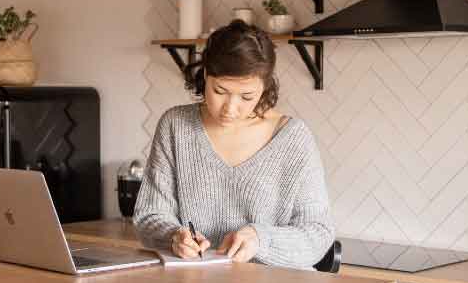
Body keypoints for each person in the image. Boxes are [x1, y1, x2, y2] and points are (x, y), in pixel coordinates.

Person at [133, 20, 334, 269]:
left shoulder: (293, 138)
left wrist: (261, 239)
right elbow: (149, 216)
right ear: (206, 75)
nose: (230, 108)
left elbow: (318, 233)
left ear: (264, 87)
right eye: (220, 91)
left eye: (246, 96)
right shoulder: (176, 126)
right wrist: (174, 236)